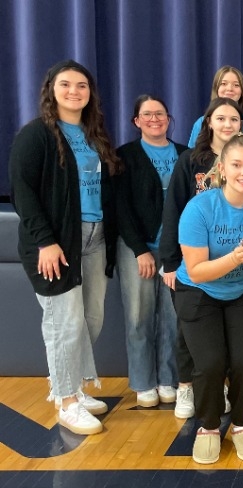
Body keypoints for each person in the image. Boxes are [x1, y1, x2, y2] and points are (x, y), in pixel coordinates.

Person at [9, 59, 121, 435]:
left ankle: (74, 385)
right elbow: (23, 192)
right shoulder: (36, 135)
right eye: (66, 84)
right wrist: (46, 241)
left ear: (90, 94)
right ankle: (67, 400)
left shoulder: (93, 135)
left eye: (82, 86)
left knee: (91, 319)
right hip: (57, 243)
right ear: (51, 90)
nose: (74, 91)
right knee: (64, 323)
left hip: (95, 237)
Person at [174, 134, 243, 464]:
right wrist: (236, 257)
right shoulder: (199, 208)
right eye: (237, 165)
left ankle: (242, 424)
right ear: (222, 168)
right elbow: (197, 272)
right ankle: (208, 427)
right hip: (199, 292)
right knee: (210, 364)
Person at [161, 97, 243, 419]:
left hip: (232, 261)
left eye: (234, 119)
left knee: (223, 333)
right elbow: (173, 209)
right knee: (188, 329)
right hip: (191, 261)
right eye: (221, 118)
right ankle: (185, 386)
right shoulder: (190, 160)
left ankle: (216, 385)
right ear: (208, 122)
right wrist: (170, 262)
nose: (227, 124)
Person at [115, 95, 188, 408]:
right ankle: (143, 382)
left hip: (176, 251)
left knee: (173, 317)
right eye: (147, 114)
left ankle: (167, 378)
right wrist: (139, 250)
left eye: (160, 114)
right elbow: (120, 207)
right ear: (136, 121)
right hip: (138, 248)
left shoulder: (185, 154)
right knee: (138, 317)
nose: (154, 119)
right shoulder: (124, 156)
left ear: (169, 118)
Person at [187, 66, 243, 154]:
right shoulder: (201, 123)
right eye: (223, 84)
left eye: (236, 85)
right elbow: (192, 155)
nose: (229, 88)